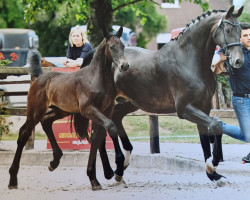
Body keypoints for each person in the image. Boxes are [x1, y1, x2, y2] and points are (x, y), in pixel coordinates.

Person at [217, 22, 250, 162]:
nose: (249, 37)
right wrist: (220, 60)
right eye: (245, 35)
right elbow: (217, 70)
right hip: (241, 99)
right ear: (239, 37)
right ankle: (218, 126)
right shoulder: (233, 51)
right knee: (247, 136)